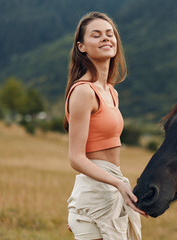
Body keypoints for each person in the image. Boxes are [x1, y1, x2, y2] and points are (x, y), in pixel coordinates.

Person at [63, 12, 147, 240]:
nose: (106, 38)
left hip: (108, 188)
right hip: (98, 192)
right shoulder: (83, 91)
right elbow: (76, 158)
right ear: (81, 47)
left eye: (110, 34)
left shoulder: (111, 92)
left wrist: (117, 185)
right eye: (96, 35)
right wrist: (117, 183)